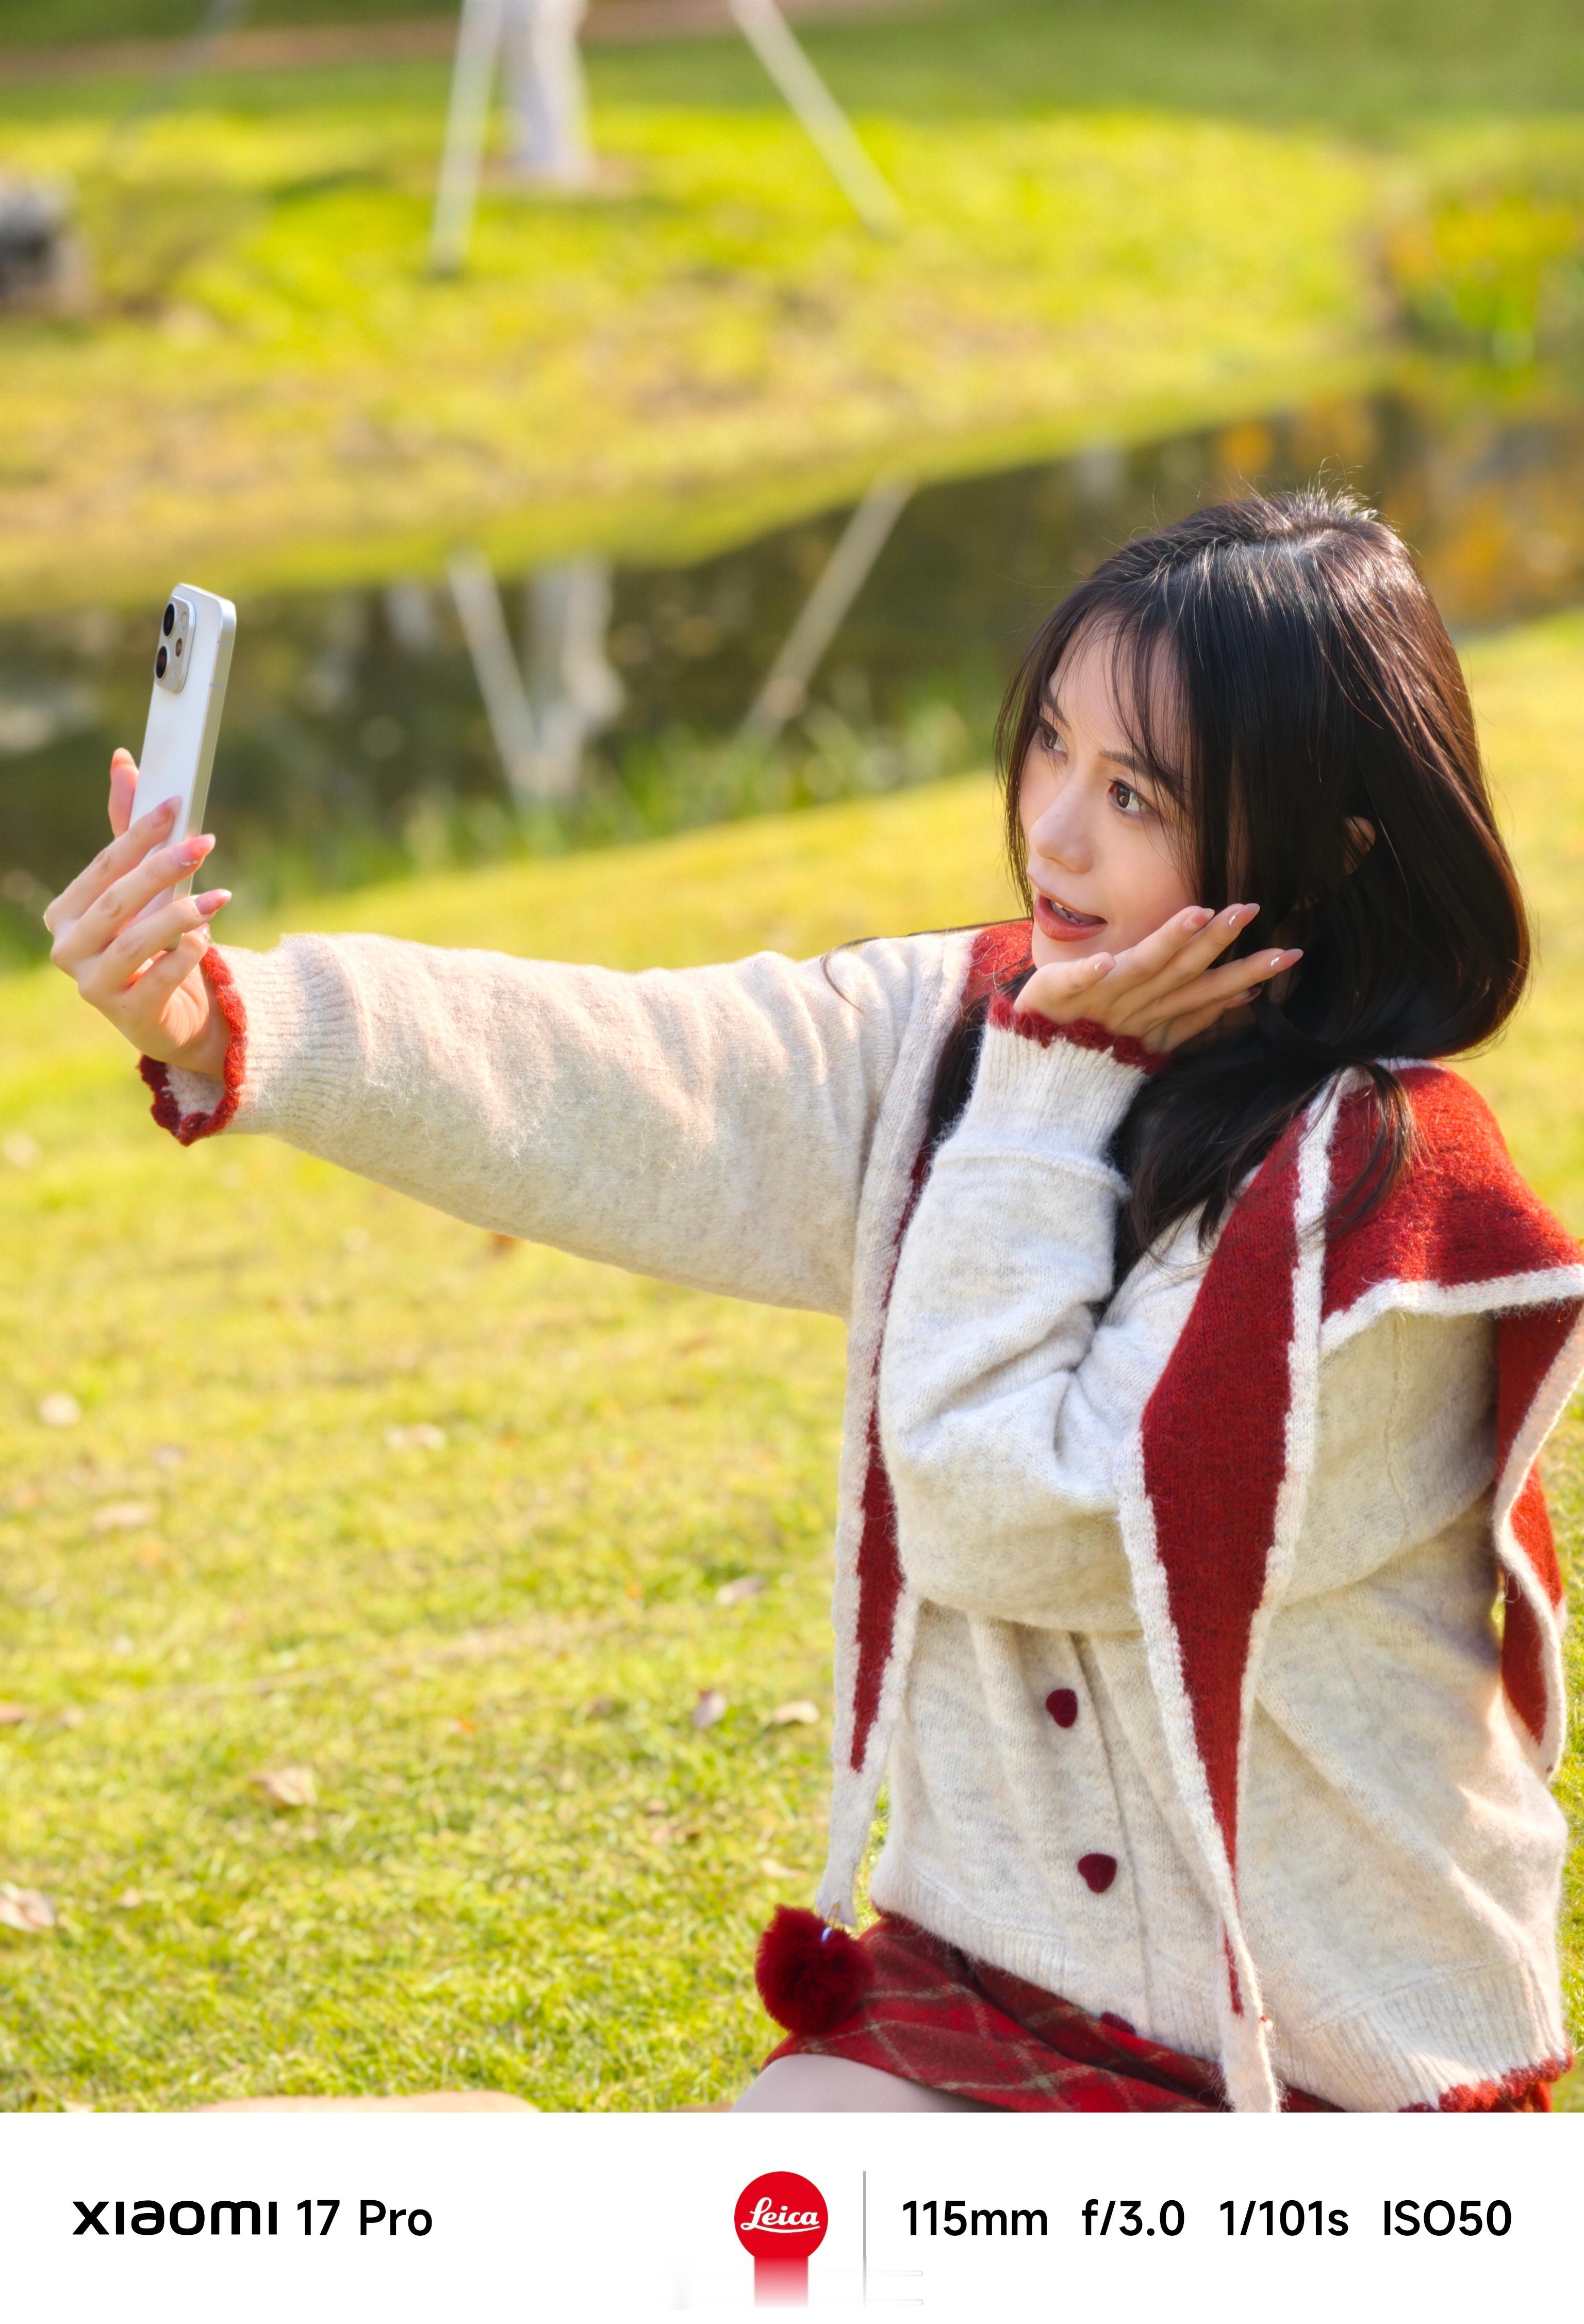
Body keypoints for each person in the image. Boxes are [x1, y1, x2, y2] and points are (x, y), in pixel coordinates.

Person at [46, 491, 1583, 2113]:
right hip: (994, 1994)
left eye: (1135, 793)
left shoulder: (1382, 1200)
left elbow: (1008, 1509)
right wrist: (233, 1020)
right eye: (1050, 745)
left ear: (1328, 846)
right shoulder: (981, 1023)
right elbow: (639, 1078)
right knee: (749, 2195)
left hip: (1327, 2083)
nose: (1054, 832)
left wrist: (1048, 1096)